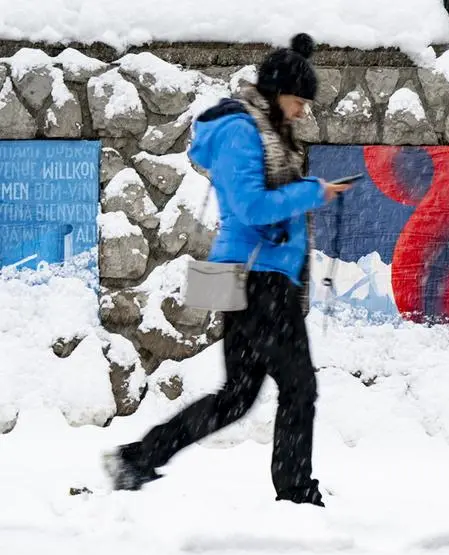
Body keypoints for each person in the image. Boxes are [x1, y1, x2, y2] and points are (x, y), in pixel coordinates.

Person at [102, 33, 352, 507]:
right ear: (277, 93)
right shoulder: (241, 131)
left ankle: (138, 458)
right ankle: (297, 494)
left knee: (237, 397)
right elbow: (251, 207)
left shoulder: (268, 131)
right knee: (299, 388)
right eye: (299, 101)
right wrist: (312, 191)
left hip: (266, 278)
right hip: (258, 280)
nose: (302, 112)